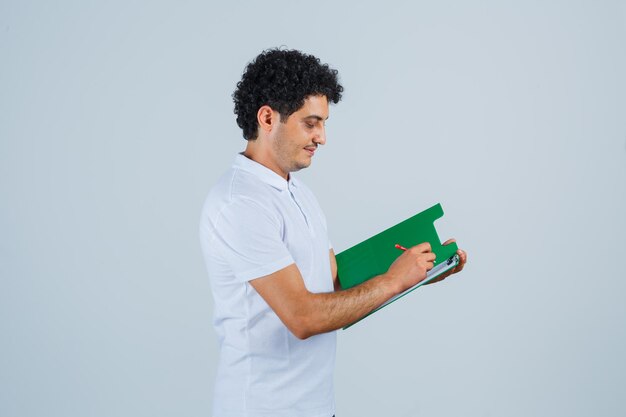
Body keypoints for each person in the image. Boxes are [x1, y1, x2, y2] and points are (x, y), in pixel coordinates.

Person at [199, 48, 467, 417]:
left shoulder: (298, 192)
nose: (321, 137)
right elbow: (304, 317)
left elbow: (333, 287)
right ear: (267, 117)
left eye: (323, 123)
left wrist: (415, 274)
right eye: (311, 123)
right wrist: (391, 280)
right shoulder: (240, 204)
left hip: (315, 406)